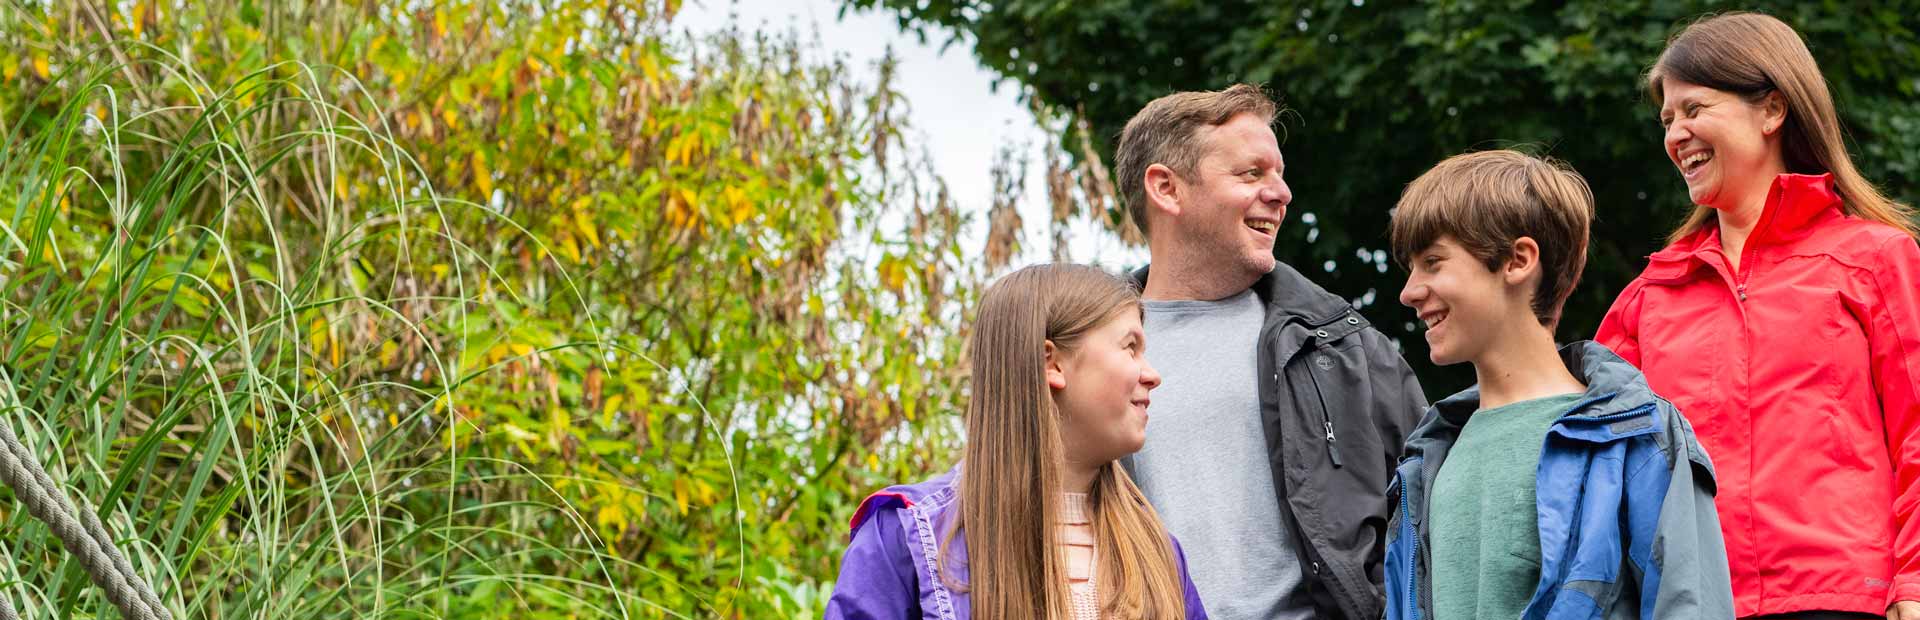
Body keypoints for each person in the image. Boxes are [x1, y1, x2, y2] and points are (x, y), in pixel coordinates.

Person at [1595, 12, 1920, 619]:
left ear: (1771, 110)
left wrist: (1915, 582)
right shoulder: (1648, 297)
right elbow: (1602, 467)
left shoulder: (1875, 260)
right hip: (1690, 604)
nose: (1675, 135)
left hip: (1845, 600)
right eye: (1667, 120)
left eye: (1693, 109)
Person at [1112, 83, 1426, 619]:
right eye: (1251, 173)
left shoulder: (1345, 346)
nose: (1281, 193)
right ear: (1166, 189)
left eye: (1279, 174)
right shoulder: (1084, 357)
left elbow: (1427, 514)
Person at [1382, 149, 1733, 619]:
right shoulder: (1425, 458)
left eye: (1433, 262)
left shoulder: (1639, 439)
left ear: (1518, 260)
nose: (1409, 292)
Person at [825, 263, 1207, 619]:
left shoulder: (1159, 553)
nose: (1152, 374)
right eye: (1130, 347)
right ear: (1051, 363)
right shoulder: (905, 537)